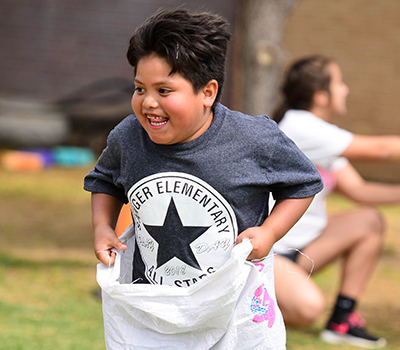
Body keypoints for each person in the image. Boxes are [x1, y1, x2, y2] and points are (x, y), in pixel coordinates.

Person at [84, 9, 323, 349]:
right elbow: (105, 180)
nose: (148, 103)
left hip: (235, 309)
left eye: (164, 91)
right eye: (139, 88)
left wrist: (270, 232)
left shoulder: (253, 139)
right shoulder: (128, 137)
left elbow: (303, 184)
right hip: (154, 309)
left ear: (208, 92)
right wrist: (102, 227)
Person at [272, 55, 400, 349]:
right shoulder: (300, 125)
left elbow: (360, 191)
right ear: (320, 95)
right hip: (271, 252)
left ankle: (342, 321)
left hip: (304, 250)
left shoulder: (323, 136)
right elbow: (382, 150)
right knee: (308, 310)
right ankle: (247, 303)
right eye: (339, 83)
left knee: (369, 220)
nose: (345, 90)